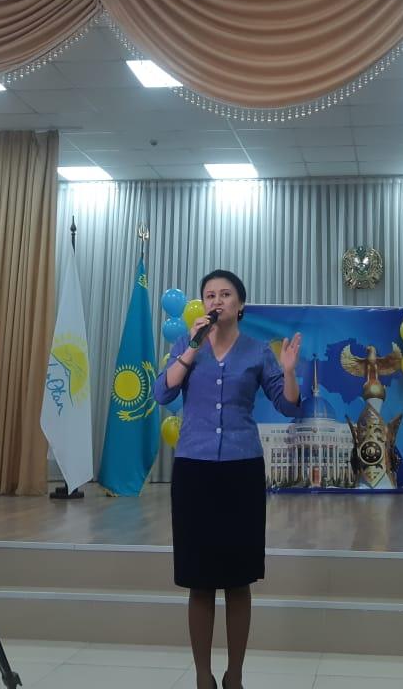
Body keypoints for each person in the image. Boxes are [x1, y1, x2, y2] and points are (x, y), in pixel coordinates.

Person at [153, 270, 304, 689]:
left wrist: (289, 372)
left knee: (238, 580)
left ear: (240, 305)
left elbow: (289, 406)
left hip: (241, 471)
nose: (216, 301)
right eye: (209, 295)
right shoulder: (187, 344)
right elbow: (163, 393)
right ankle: (203, 677)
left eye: (225, 294)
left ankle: (234, 675)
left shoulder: (257, 352)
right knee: (199, 580)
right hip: (195, 470)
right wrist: (191, 348)